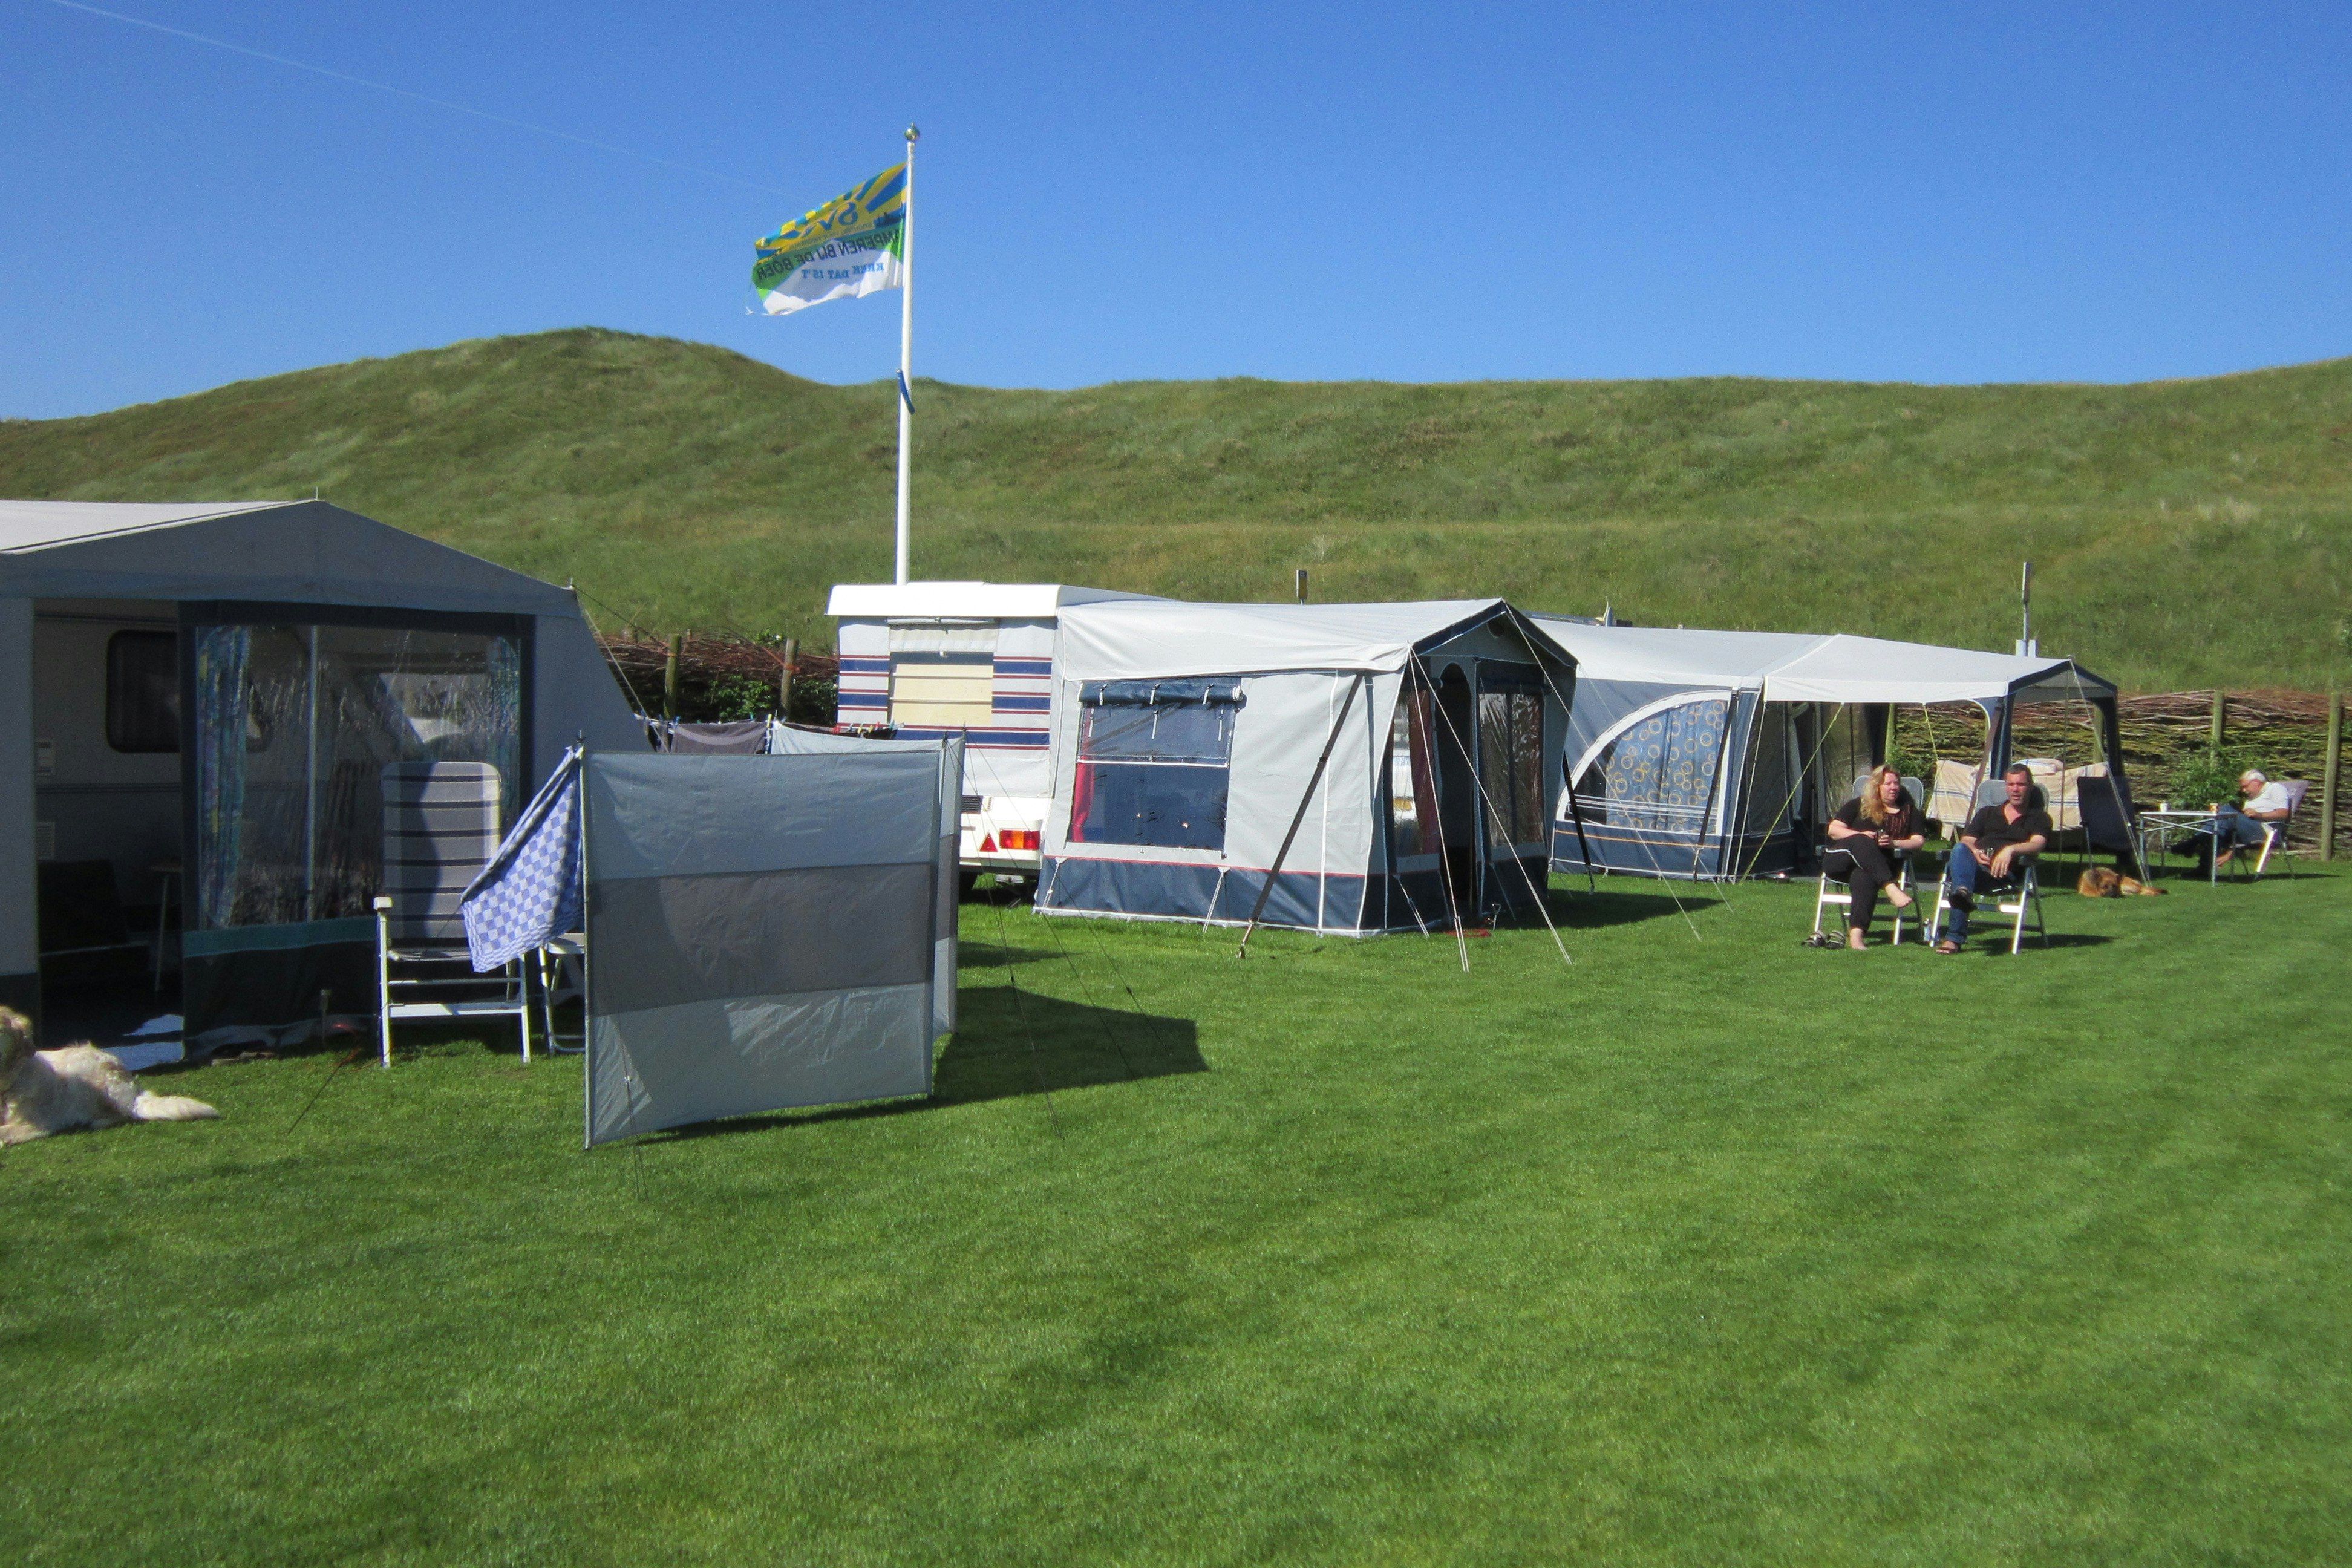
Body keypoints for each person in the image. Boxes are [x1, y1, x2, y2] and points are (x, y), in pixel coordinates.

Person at [1934, 763, 2052, 955]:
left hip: (2005, 876)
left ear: (2030, 786)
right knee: (1960, 848)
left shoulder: (2039, 818)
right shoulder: (1987, 813)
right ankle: (1963, 893)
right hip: (1976, 871)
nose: (2015, 789)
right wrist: (1975, 852)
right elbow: (1967, 840)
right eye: (2011, 784)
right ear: (2006, 787)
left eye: (2021, 784)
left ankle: (1953, 938)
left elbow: (2038, 844)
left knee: (1959, 883)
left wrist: (2010, 850)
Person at [1824, 764, 1926, 949]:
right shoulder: (1859, 805)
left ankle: (1856, 937)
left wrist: (1894, 843)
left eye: (1897, 783)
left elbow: (1918, 841)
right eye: (1888, 784)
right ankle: (1891, 888)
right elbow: (1834, 830)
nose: (1894, 787)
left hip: (1877, 868)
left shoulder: (1909, 811)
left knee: (1864, 877)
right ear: (1877, 786)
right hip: (1841, 861)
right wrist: (1860, 835)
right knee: (1862, 840)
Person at [2189, 769, 2295, 869]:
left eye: (2245, 786)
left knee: (2225, 810)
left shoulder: (2275, 789)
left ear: (2256, 782)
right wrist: (2229, 854)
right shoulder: (2250, 799)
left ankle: (2194, 842)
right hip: (2249, 829)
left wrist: (2260, 815)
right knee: (2219, 827)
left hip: (2267, 831)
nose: (2244, 791)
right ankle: (2204, 869)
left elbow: (2283, 814)